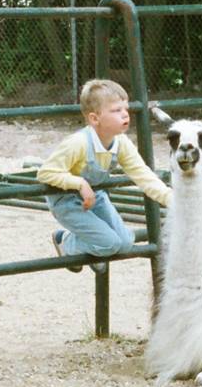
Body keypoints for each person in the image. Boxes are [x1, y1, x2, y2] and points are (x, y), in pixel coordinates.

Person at [37, 78, 171, 272]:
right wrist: (79, 183)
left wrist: (171, 198)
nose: (125, 114)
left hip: (96, 196)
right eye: (116, 111)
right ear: (94, 118)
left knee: (125, 243)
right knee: (109, 244)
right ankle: (65, 242)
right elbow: (45, 173)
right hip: (66, 201)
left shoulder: (121, 142)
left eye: (125, 109)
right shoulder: (78, 143)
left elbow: (142, 175)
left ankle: (95, 250)